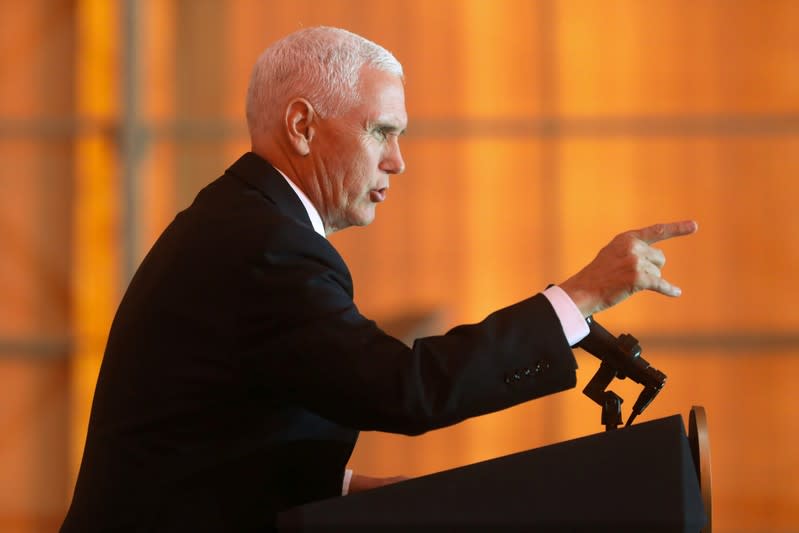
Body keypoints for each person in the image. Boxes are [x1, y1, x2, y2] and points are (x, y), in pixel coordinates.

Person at [60, 26, 697, 532]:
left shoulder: (246, 223)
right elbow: (403, 390)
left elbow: (230, 422)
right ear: (302, 126)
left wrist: (346, 488)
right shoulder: (265, 245)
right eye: (381, 131)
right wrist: (581, 295)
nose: (397, 160)